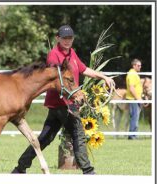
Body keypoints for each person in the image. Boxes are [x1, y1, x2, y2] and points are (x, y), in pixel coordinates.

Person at [11, 25, 115, 175]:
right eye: (64, 38)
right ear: (57, 38)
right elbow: (58, 80)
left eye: (70, 38)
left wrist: (103, 76)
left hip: (59, 105)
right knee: (78, 133)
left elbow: (84, 69)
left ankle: (20, 167)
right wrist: (74, 97)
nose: (67, 41)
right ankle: (88, 171)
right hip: (64, 104)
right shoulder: (54, 55)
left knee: (45, 138)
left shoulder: (72, 53)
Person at [125, 59, 143, 140]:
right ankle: (132, 136)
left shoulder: (134, 73)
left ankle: (133, 135)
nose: (140, 67)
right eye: (138, 65)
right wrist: (139, 99)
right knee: (134, 117)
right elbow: (132, 88)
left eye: (140, 65)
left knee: (135, 117)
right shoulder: (132, 74)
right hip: (133, 99)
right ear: (134, 66)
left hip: (135, 99)